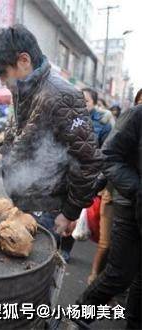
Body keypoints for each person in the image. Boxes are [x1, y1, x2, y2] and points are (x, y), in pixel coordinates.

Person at [0, 25, 102, 261]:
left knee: (33, 278)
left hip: (49, 210)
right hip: (23, 202)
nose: (2, 82)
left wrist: (69, 212)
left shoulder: (62, 94)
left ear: (24, 60)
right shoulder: (22, 91)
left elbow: (88, 161)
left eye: (3, 74)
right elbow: (15, 133)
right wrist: (1, 153)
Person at [77, 104, 142, 329]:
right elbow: (109, 156)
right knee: (119, 274)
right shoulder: (137, 115)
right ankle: (76, 317)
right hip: (131, 207)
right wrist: (137, 189)